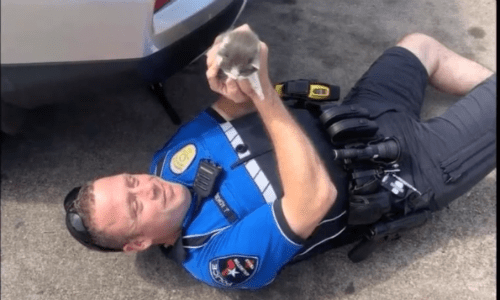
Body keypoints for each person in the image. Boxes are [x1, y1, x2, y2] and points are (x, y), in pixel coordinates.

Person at [63, 24, 496, 290]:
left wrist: (237, 65)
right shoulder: (216, 258)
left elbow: (231, 108)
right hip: (408, 170)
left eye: (130, 181)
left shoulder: (168, 160)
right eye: (136, 205)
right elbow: (314, 198)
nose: (147, 186)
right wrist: (265, 92)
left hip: (359, 115)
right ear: (138, 242)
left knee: (418, 45)